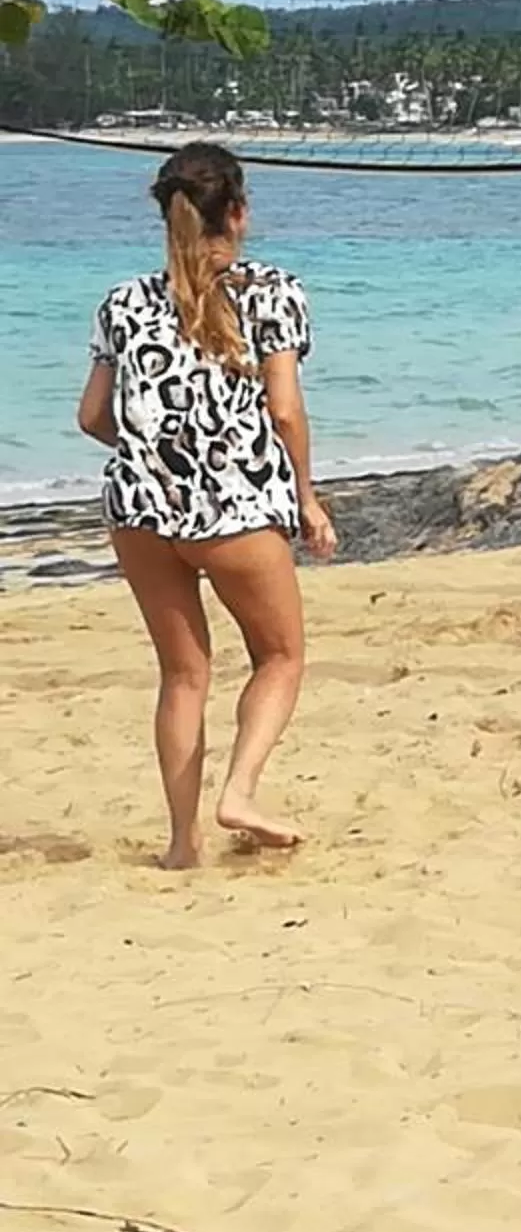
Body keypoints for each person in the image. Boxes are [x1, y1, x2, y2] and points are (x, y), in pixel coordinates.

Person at [73, 141, 334, 869]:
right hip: (237, 510)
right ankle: (240, 792)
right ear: (239, 213)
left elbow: (92, 417)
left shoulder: (121, 303)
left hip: (140, 514)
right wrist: (307, 501)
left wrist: (157, 457)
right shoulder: (271, 293)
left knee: (183, 675)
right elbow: (284, 411)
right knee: (280, 657)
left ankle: (183, 846)